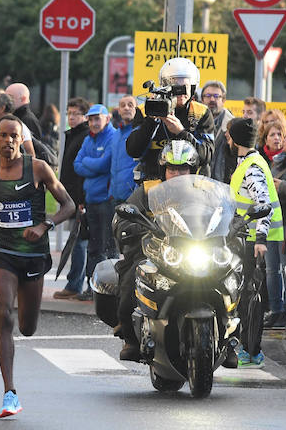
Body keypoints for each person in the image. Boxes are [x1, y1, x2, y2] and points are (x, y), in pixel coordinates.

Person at [0, 115, 75, 417]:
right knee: (4, 314)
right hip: (4, 251)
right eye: (3, 135)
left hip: (33, 254)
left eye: (14, 136)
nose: (8, 141)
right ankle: (10, 392)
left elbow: (69, 205)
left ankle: (26, 305)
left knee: (27, 326)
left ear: (21, 139)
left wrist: (44, 225)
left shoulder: (38, 168)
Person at [114, 141, 200, 361]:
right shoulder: (148, 190)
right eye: (172, 168)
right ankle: (131, 338)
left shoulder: (204, 191)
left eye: (183, 168)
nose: (178, 173)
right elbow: (121, 218)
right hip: (155, 251)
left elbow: (226, 211)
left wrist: (237, 224)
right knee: (131, 276)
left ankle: (230, 337)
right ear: (164, 170)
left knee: (231, 272)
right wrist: (135, 227)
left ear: (192, 170)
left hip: (197, 251)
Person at [227, 118, 283, 367]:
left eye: (229, 137)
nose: (227, 141)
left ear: (235, 140)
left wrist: (260, 239)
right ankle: (247, 348)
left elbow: (264, 205)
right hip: (249, 238)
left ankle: (251, 351)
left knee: (251, 298)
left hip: (255, 241)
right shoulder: (248, 162)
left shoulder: (251, 167)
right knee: (246, 296)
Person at [126, 57, 214, 181]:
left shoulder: (201, 112)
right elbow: (133, 151)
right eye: (175, 86)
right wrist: (151, 120)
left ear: (193, 87)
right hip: (154, 185)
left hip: (191, 187)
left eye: (185, 86)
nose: (180, 91)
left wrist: (181, 132)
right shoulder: (145, 110)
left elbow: (207, 156)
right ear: (164, 86)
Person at [74, 104, 118, 293]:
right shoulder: (88, 139)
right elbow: (77, 165)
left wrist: (88, 163)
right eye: (90, 119)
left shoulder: (112, 136)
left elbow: (104, 164)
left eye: (97, 118)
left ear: (107, 118)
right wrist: (93, 165)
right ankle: (91, 287)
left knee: (107, 247)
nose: (93, 123)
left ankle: (108, 288)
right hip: (91, 200)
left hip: (106, 201)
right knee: (93, 247)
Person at [54, 97, 92, 300]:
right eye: (69, 113)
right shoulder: (75, 135)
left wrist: (79, 199)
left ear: (85, 116)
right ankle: (76, 283)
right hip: (73, 195)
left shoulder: (84, 136)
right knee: (79, 241)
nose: (71, 117)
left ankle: (75, 284)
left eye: (75, 114)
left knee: (79, 242)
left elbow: (80, 172)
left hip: (80, 197)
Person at [259, 117, 286, 329]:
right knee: (272, 270)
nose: (277, 138)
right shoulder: (262, 161)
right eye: (273, 134)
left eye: (280, 134)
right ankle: (276, 309)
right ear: (265, 140)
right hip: (268, 222)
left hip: (285, 222)